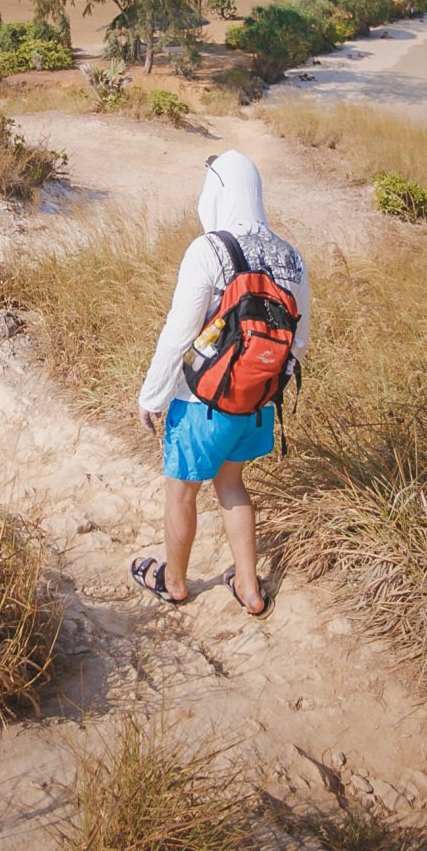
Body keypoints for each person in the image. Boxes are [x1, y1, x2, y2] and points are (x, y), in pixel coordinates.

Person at [130, 151, 309, 616]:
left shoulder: (208, 249)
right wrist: (263, 387)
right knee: (232, 485)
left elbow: (179, 331)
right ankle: (249, 587)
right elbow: (299, 340)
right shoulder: (291, 256)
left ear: (217, 191)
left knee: (181, 490)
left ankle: (174, 582)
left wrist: (152, 396)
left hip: (201, 403)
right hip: (257, 404)